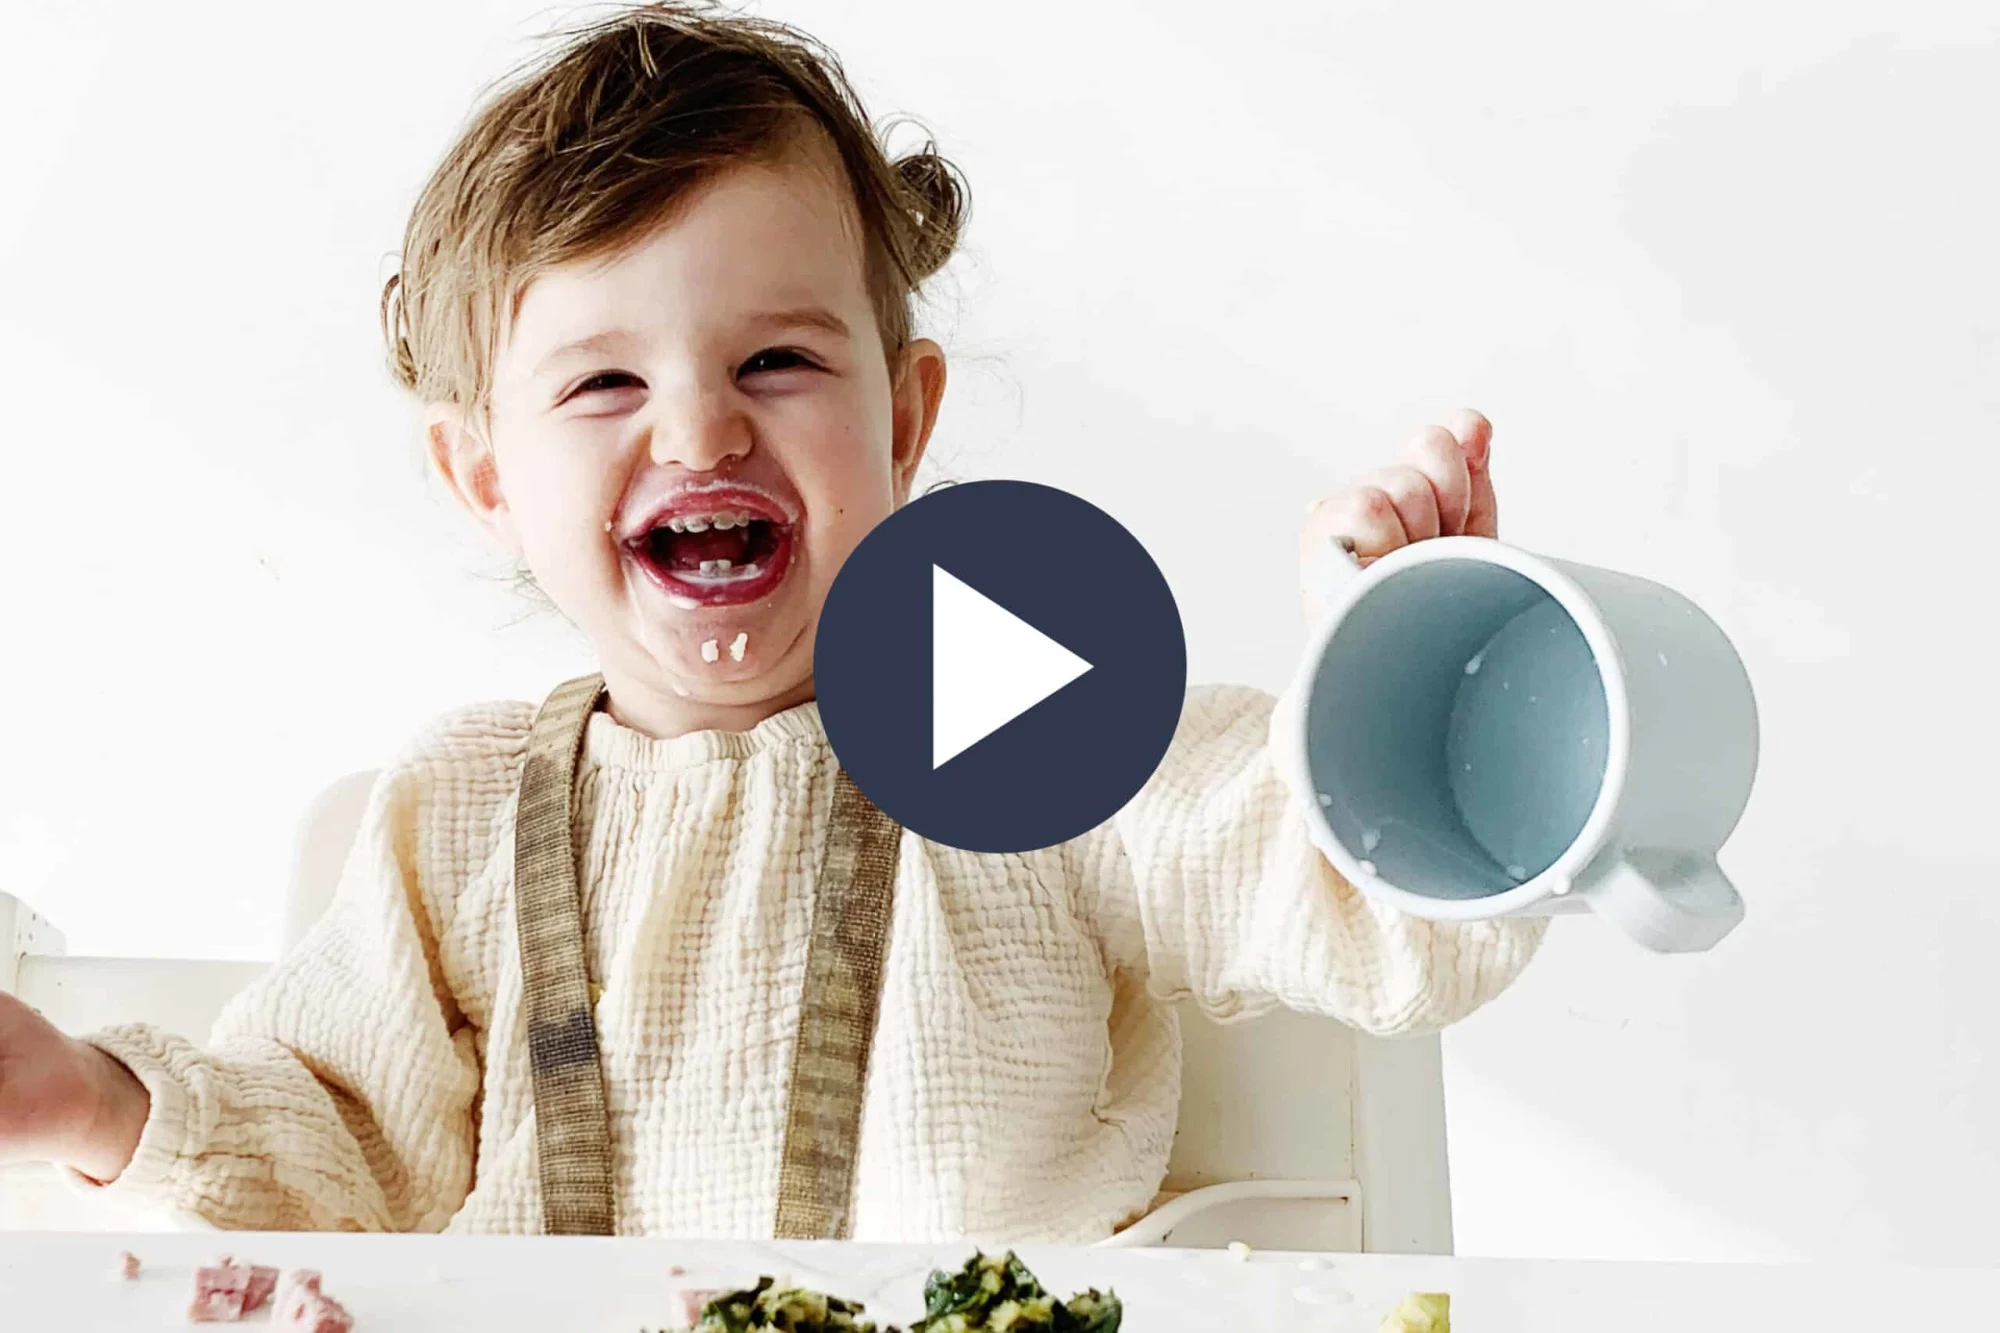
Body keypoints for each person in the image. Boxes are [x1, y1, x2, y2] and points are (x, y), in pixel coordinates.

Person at [0, 2, 1543, 1242]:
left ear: (904, 415)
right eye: (605, 382)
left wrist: (1397, 685)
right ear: (484, 476)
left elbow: (1313, 887)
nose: (697, 433)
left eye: (781, 363)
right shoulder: (452, 814)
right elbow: (330, 1147)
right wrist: (86, 1102)